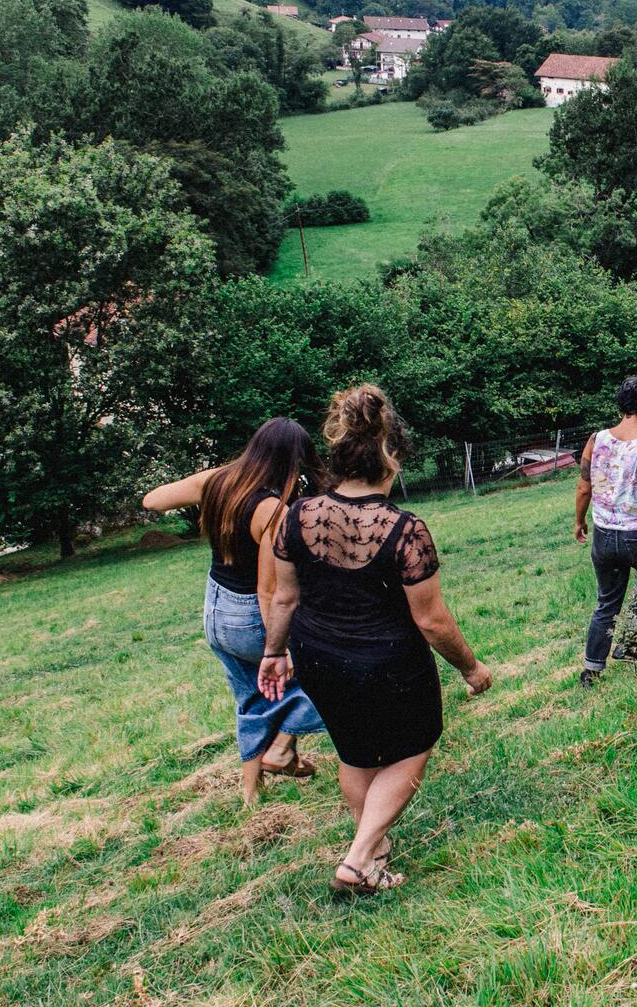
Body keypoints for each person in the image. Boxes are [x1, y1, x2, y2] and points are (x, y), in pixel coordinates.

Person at [259, 384, 491, 896]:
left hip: (316, 656)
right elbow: (431, 621)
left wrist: (274, 653)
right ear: (391, 455)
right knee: (413, 747)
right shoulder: (405, 529)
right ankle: (359, 857)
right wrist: (471, 669)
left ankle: (374, 858)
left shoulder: (295, 516)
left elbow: (282, 599)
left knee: (356, 754)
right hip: (387, 662)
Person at [143, 418, 328, 807]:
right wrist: (280, 648)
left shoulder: (216, 481)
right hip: (247, 615)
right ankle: (281, 748)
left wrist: (203, 484)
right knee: (324, 675)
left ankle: (250, 795)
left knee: (250, 698)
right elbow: (267, 590)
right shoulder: (272, 510)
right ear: (290, 463)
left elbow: (153, 500)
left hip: (214, 611)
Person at [573, 374, 637, 688]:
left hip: (603, 535)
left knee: (607, 600)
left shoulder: (596, 439)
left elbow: (583, 488)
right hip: (636, 536)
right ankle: (629, 643)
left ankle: (591, 671)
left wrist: (579, 522)